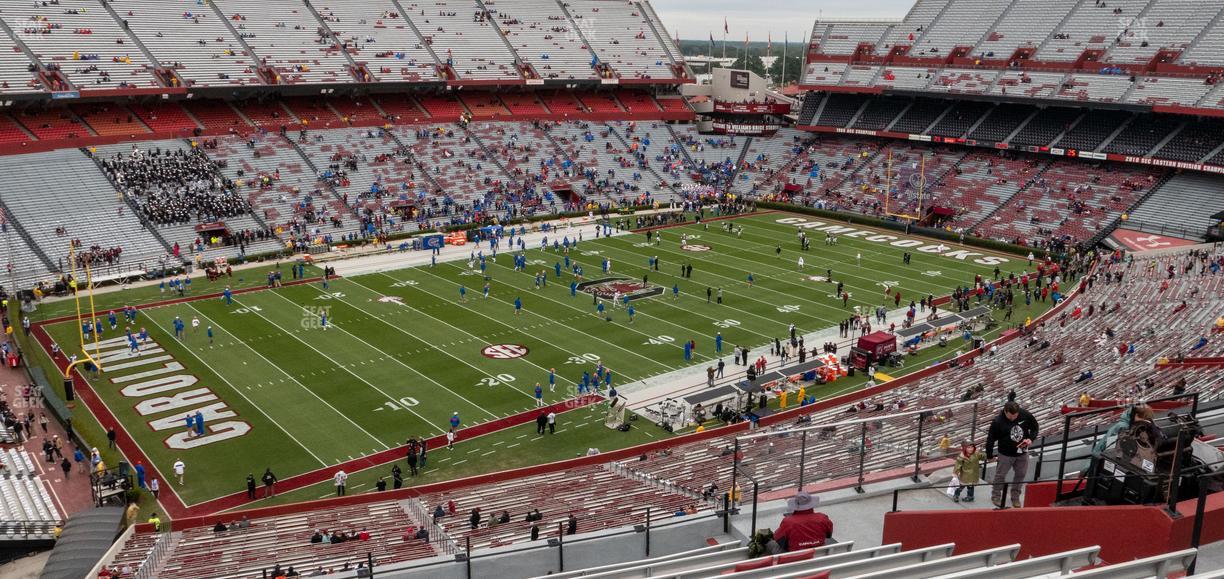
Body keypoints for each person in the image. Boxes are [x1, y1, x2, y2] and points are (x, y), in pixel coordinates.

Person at [985, 401, 1039, 509]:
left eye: (1016, 416)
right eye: (1011, 416)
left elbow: (1035, 427)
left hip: (1022, 452)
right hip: (1005, 453)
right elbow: (990, 439)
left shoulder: (1026, 415)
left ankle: (1015, 496)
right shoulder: (997, 421)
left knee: (1021, 474)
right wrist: (989, 455)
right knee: (1000, 475)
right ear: (1005, 412)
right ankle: (996, 495)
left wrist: (1030, 439)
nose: (1013, 418)